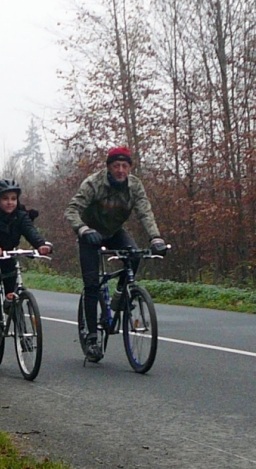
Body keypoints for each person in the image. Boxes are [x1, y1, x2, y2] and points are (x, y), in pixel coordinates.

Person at [64, 146, 168, 362]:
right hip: (90, 233)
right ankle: (92, 339)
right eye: (116, 166)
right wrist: (83, 229)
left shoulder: (134, 186)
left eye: (125, 166)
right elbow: (71, 210)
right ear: (109, 167)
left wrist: (156, 238)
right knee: (92, 285)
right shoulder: (93, 183)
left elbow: (145, 212)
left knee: (135, 255)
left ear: (130, 167)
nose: (120, 170)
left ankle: (120, 295)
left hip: (114, 231)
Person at [0, 179, 53, 329]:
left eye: (13, 199)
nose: (10, 202)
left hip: (9, 253)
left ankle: (20, 331)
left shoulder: (21, 215)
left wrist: (41, 245)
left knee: (11, 290)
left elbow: (30, 231)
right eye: (5, 199)